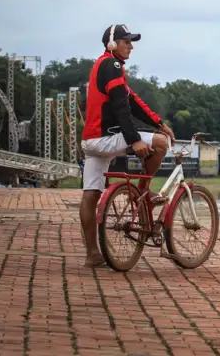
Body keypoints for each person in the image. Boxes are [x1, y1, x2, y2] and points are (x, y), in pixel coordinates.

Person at [79, 24, 175, 267]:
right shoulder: (111, 65)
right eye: (126, 41)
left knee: (90, 194)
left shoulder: (104, 66)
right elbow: (123, 110)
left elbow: (131, 100)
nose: (131, 46)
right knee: (161, 144)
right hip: (106, 137)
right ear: (112, 44)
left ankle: (92, 254)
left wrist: (158, 122)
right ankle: (144, 196)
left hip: (90, 142)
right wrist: (135, 140)